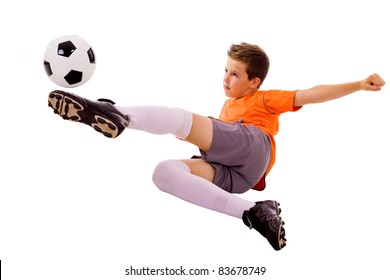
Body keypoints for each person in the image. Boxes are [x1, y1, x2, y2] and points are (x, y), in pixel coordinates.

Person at [47, 43, 385, 251]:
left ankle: (119, 114)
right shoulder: (226, 113)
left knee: (182, 118)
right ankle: (254, 212)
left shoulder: (263, 98)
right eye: (225, 70)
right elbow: (203, 132)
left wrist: (358, 85)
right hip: (240, 178)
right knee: (165, 171)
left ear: (253, 81)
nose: (226, 78)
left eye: (235, 74)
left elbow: (310, 94)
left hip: (255, 145)